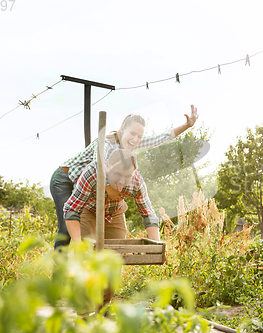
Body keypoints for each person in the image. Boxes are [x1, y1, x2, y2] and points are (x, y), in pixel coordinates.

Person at [50, 106, 198, 248]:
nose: (136, 139)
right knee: (66, 224)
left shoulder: (128, 149)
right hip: (65, 177)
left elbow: (160, 138)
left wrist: (186, 126)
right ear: (122, 129)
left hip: (85, 184)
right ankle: (58, 265)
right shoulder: (107, 143)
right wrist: (116, 191)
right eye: (132, 133)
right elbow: (98, 165)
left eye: (139, 136)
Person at [63, 149, 155, 308]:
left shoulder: (136, 181)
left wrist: (156, 245)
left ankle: (102, 307)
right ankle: (83, 307)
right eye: (117, 174)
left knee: (114, 259)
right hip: (89, 210)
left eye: (127, 176)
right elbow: (71, 209)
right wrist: (78, 245)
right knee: (88, 256)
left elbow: (148, 214)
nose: (122, 181)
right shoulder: (92, 174)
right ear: (107, 166)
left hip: (115, 212)